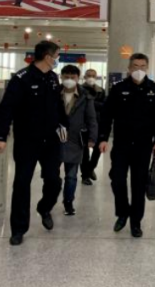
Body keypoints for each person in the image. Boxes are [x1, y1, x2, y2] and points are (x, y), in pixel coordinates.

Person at [0, 41, 68, 246]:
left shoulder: (52, 78)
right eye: (57, 55)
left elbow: (58, 106)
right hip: (27, 141)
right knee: (22, 183)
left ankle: (44, 207)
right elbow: (7, 108)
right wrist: (1, 136)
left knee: (54, 180)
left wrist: (64, 125)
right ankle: (18, 229)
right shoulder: (21, 78)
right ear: (48, 57)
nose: (58, 59)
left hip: (51, 141)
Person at [98, 53, 155, 238]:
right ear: (129, 68)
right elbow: (107, 115)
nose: (139, 70)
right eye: (135, 66)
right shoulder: (118, 88)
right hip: (122, 144)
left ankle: (136, 222)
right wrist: (103, 138)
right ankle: (122, 212)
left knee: (138, 184)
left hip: (143, 145)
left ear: (147, 68)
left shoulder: (154, 90)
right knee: (117, 179)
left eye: (142, 66)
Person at [58, 65, 97, 216]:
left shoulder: (85, 96)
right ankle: (48, 201)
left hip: (75, 140)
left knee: (71, 175)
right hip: (54, 140)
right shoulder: (53, 93)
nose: (69, 80)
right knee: (51, 176)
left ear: (78, 78)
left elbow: (91, 118)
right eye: (66, 77)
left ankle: (68, 203)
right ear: (61, 77)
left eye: (72, 77)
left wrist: (92, 137)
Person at [81, 68, 105, 185]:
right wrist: (95, 104)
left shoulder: (101, 90)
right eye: (88, 75)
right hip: (84, 124)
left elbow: (104, 106)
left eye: (93, 75)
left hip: (98, 123)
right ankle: (85, 175)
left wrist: (90, 103)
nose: (91, 77)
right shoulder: (80, 89)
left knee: (98, 149)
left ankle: (90, 168)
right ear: (84, 77)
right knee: (84, 152)